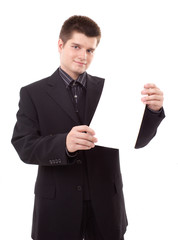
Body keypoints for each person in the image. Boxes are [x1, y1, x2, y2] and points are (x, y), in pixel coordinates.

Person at [11, 15, 165, 240]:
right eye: (76, 46)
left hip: (106, 207)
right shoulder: (32, 93)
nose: (83, 56)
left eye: (90, 50)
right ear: (60, 45)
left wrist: (152, 111)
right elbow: (24, 145)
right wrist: (63, 144)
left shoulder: (111, 90)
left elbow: (137, 141)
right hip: (56, 208)